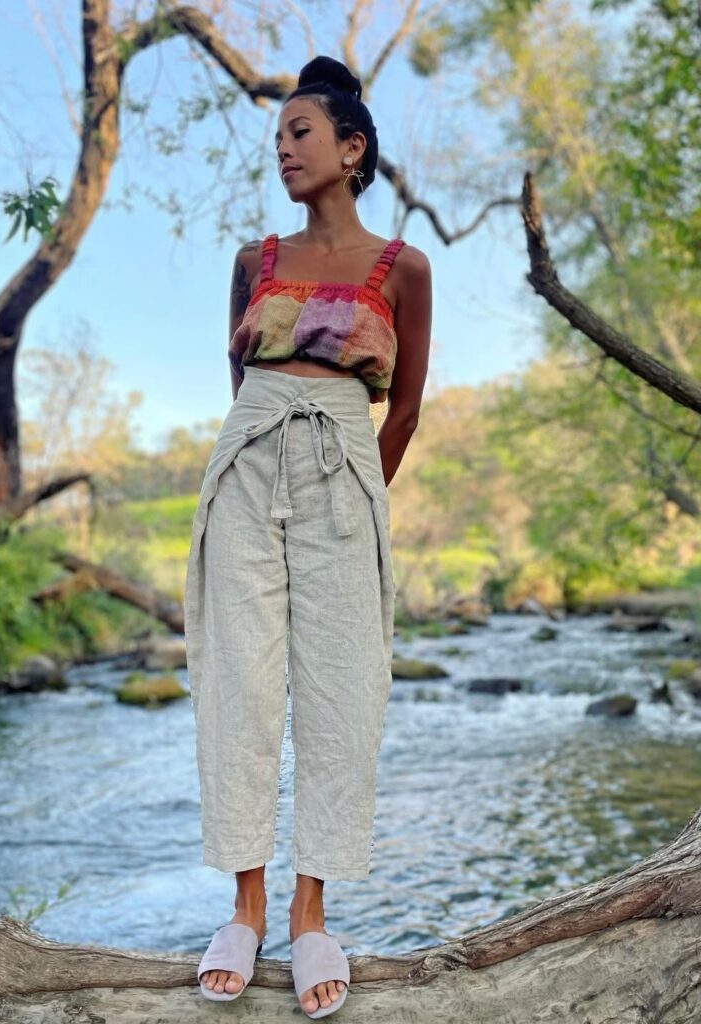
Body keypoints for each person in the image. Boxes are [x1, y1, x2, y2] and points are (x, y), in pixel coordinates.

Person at [184, 54, 431, 1018]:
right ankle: (243, 907)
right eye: (277, 138)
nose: (284, 149)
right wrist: (262, 462)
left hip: (343, 469)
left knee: (342, 687)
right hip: (248, 461)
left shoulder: (402, 268)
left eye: (300, 134)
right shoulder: (255, 262)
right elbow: (239, 384)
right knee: (238, 679)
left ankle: (309, 910)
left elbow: (402, 412)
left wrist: (359, 500)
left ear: (350, 148)